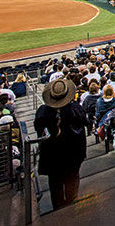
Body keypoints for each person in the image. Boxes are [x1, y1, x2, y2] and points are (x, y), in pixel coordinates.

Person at [34, 78, 89, 210]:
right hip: (73, 155)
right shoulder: (76, 109)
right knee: (72, 180)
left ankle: (59, 209)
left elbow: (38, 129)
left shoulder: (42, 111)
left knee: (55, 185)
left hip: (53, 158)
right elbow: (86, 122)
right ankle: (70, 207)